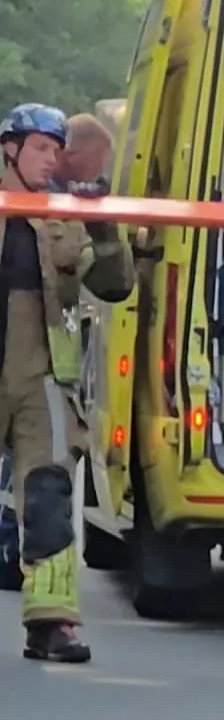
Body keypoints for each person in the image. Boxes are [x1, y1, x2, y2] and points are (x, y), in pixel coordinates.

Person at [0, 104, 135, 662]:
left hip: (41, 374)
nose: (50, 159)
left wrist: (104, 228)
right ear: (8, 149)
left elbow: (115, 285)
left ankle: (51, 622)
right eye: (38, 148)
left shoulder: (63, 214)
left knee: (51, 491)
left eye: (56, 150)